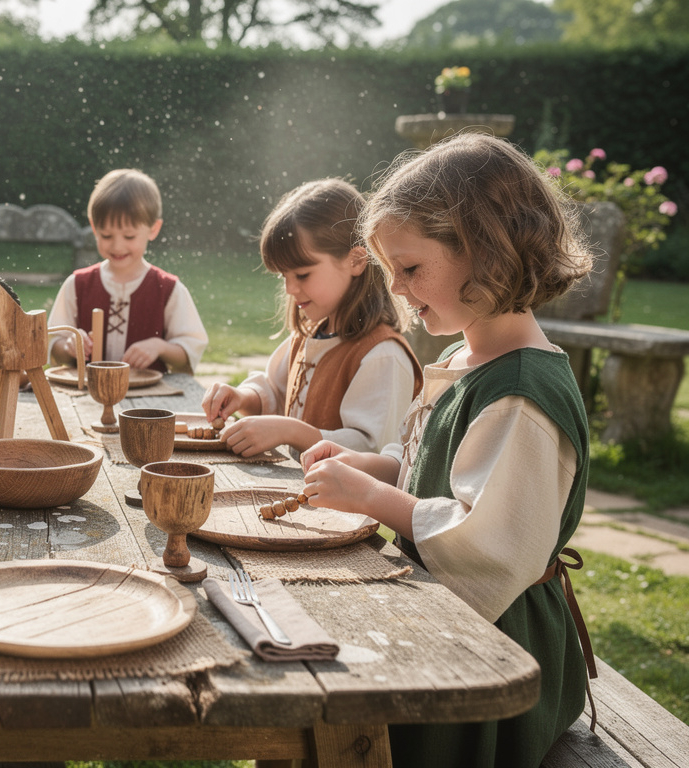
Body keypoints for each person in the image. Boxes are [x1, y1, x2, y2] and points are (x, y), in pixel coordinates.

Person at [300, 133, 596, 767]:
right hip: (447, 609)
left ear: (488, 253)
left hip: (496, 652)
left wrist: (374, 498)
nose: (400, 290)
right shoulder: (467, 356)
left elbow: (488, 546)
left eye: (412, 269)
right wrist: (369, 466)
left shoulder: (521, 392)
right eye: (391, 272)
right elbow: (437, 474)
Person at [201, 178, 422, 457]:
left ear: (356, 261)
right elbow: (277, 391)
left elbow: (374, 449)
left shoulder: (382, 356)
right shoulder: (310, 336)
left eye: (302, 274)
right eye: (284, 276)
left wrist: (290, 431)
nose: (290, 289)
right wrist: (243, 398)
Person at [48, 168, 207, 373]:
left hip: (148, 398)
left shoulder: (168, 289)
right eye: (106, 235)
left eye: (129, 236)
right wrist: (70, 345)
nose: (117, 246)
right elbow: (55, 347)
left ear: (153, 229)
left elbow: (188, 354)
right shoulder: (77, 285)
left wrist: (159, 347)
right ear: (94, 228)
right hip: (87, 395)